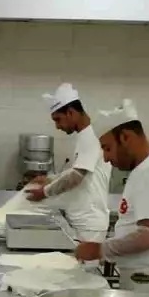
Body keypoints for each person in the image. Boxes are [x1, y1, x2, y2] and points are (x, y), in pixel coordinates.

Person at [83, 99, 149, 297]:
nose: (105, 159)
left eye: (107, 148)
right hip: (146, 281)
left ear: (125, 137)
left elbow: (147, 236)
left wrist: (98, 249)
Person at [27, 83, 110, 259]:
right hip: (80, 221)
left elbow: (77, 176)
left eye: (58, 119)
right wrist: (51, 179)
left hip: (89, 225)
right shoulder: (83, 137)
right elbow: (79, 171)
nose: (57, 126)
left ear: (71, 112)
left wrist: (45, 192)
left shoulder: (90, 137)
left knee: (83, 279)